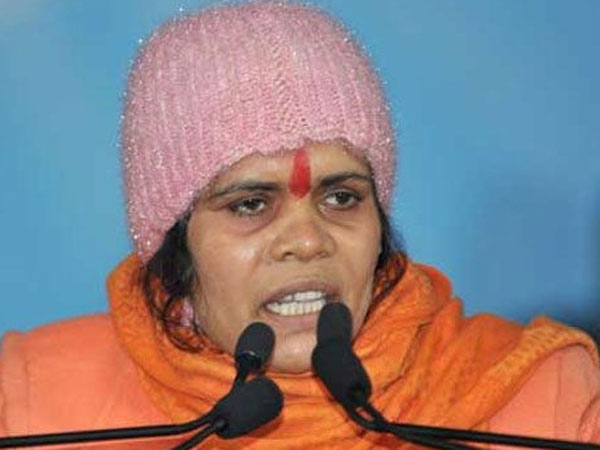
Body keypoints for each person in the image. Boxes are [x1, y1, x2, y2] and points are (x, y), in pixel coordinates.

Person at [1, 1, 599, 448]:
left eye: (341, 197)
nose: (308, 240)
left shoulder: (540, 400)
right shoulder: (33, 407)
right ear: (173, 247)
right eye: (249, 205)